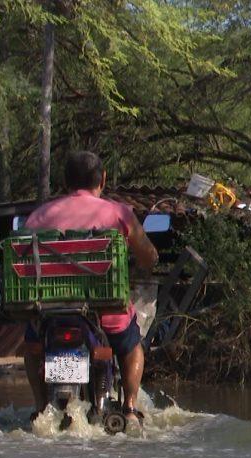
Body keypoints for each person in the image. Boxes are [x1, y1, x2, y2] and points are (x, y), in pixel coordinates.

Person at [22, 151, 158, 425]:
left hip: (49, 315)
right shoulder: (118, 213)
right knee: (132, 345)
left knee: (31, 346)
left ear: (65, 181)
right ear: (103, 179)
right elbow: (149, 258)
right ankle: (130, 408)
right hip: (106, 317)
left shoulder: (37, 217)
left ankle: (40, 408)